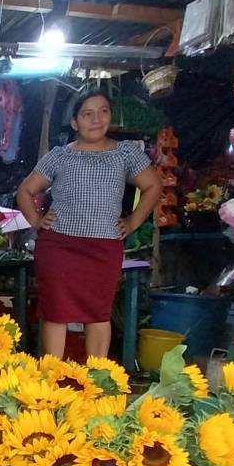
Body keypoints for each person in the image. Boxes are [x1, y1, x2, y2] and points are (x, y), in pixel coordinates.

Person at [16, 90, 162, 360]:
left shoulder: (125, 153)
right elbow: (25, 191)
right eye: (87, 114)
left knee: (98, 313)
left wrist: (132, 222)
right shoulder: (59, 156)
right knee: (56, 312)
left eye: (103, 111)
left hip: (104, 248)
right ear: (74, 122)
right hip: (59, 247)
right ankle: (51, 376)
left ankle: (97, 376)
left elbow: (153, 186)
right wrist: (36, 220)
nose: (96, 119)